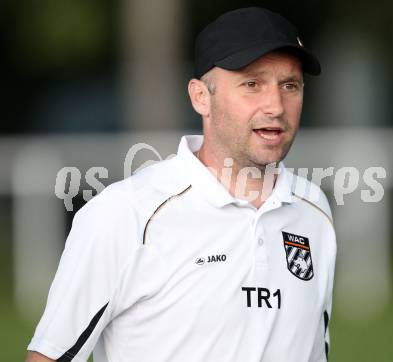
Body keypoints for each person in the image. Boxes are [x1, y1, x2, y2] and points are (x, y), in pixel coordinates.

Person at [26, 7, 336, 362]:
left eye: (290, 85)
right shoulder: (125, 215)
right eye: (252, 84)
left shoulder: (313, 212)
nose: (276, 105)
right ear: (200, 96)